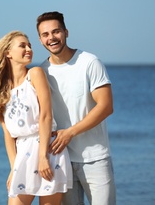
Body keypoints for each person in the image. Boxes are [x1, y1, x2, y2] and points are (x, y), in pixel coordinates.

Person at [0, 31, 72, 205]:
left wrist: (43, 157)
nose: (29, 49)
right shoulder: (0, 90)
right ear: (8, 53)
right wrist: (14, 168)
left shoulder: (35, 74)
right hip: (23, 154)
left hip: (48, 151)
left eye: (29, 45)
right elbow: (8, 135)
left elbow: (46, 116)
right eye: (22, 46)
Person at [36, 11, 116, 205]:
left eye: (56, 32)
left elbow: (106, 106)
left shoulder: (89, 62)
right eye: (45, 34)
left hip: (95, 157)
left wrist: (70, 132)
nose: (51, 38)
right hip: (61, 160)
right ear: (40, 40)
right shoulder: (41, 72)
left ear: (66, 32)